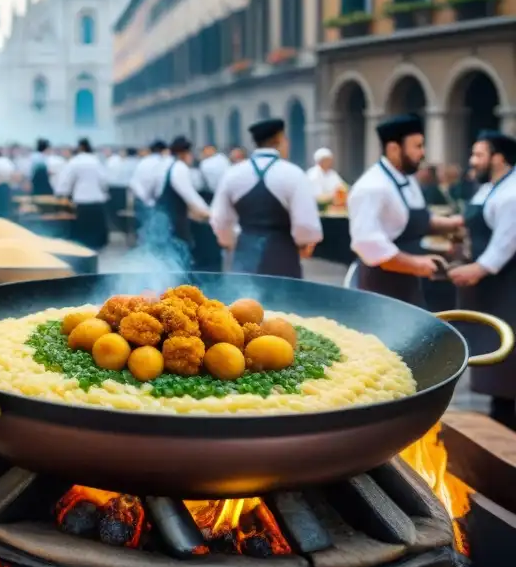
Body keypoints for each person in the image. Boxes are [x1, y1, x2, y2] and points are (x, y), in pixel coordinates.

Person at [347, 114, 463, 306]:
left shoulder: (408, 179)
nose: (423, 153)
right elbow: (367, 244)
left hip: (410, 282)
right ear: (394, 148)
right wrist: (416, 264)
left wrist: (455, 222)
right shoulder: (371, 187)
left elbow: (419, 219)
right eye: (417, 146)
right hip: (382, 286)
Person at [448, 131, 516, 429]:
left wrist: (476, 269)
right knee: (495, 350)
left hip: (507, 284)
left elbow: (505, 243)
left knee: (508, 349)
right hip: (491, 287)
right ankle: (499, 412)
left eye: (478, 154)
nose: (472, 161)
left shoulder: (512, 193)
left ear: (498, 158)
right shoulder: (490, 188)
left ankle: (505, 422)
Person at [210, 119, 323, 278]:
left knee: (244, 300)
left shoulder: (233, 174)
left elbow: (219, 219)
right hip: (282, 257)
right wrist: (304, 244)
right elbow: (306, 224)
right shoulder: (293, 174)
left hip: (245, 255)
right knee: (283, 302)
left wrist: (231, 242)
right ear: (280, 139)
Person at [152, 136, 210, 263]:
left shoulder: (164, 165)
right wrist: (210, 214)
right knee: (177, 261)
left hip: (161, 221)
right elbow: (191, 197)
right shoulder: (179, 167)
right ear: (183, 153)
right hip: (173, 224)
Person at [55, 138, 109, 250]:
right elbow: (104, 181)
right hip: (97, 201)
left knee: (82, 234)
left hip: (81, 201)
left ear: (79, 148)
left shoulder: (75, 161)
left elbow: (65, 182)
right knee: (96, 230)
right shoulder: (97, 161)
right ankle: (97, 248)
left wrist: (62, 194)